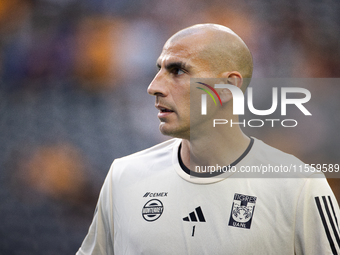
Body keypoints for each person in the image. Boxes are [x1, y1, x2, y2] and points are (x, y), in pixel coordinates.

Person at [76, 24, 340, 254]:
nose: (154, 86)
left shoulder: (300, 186)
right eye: (159, 69)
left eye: (177, 71)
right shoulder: (124, 176)